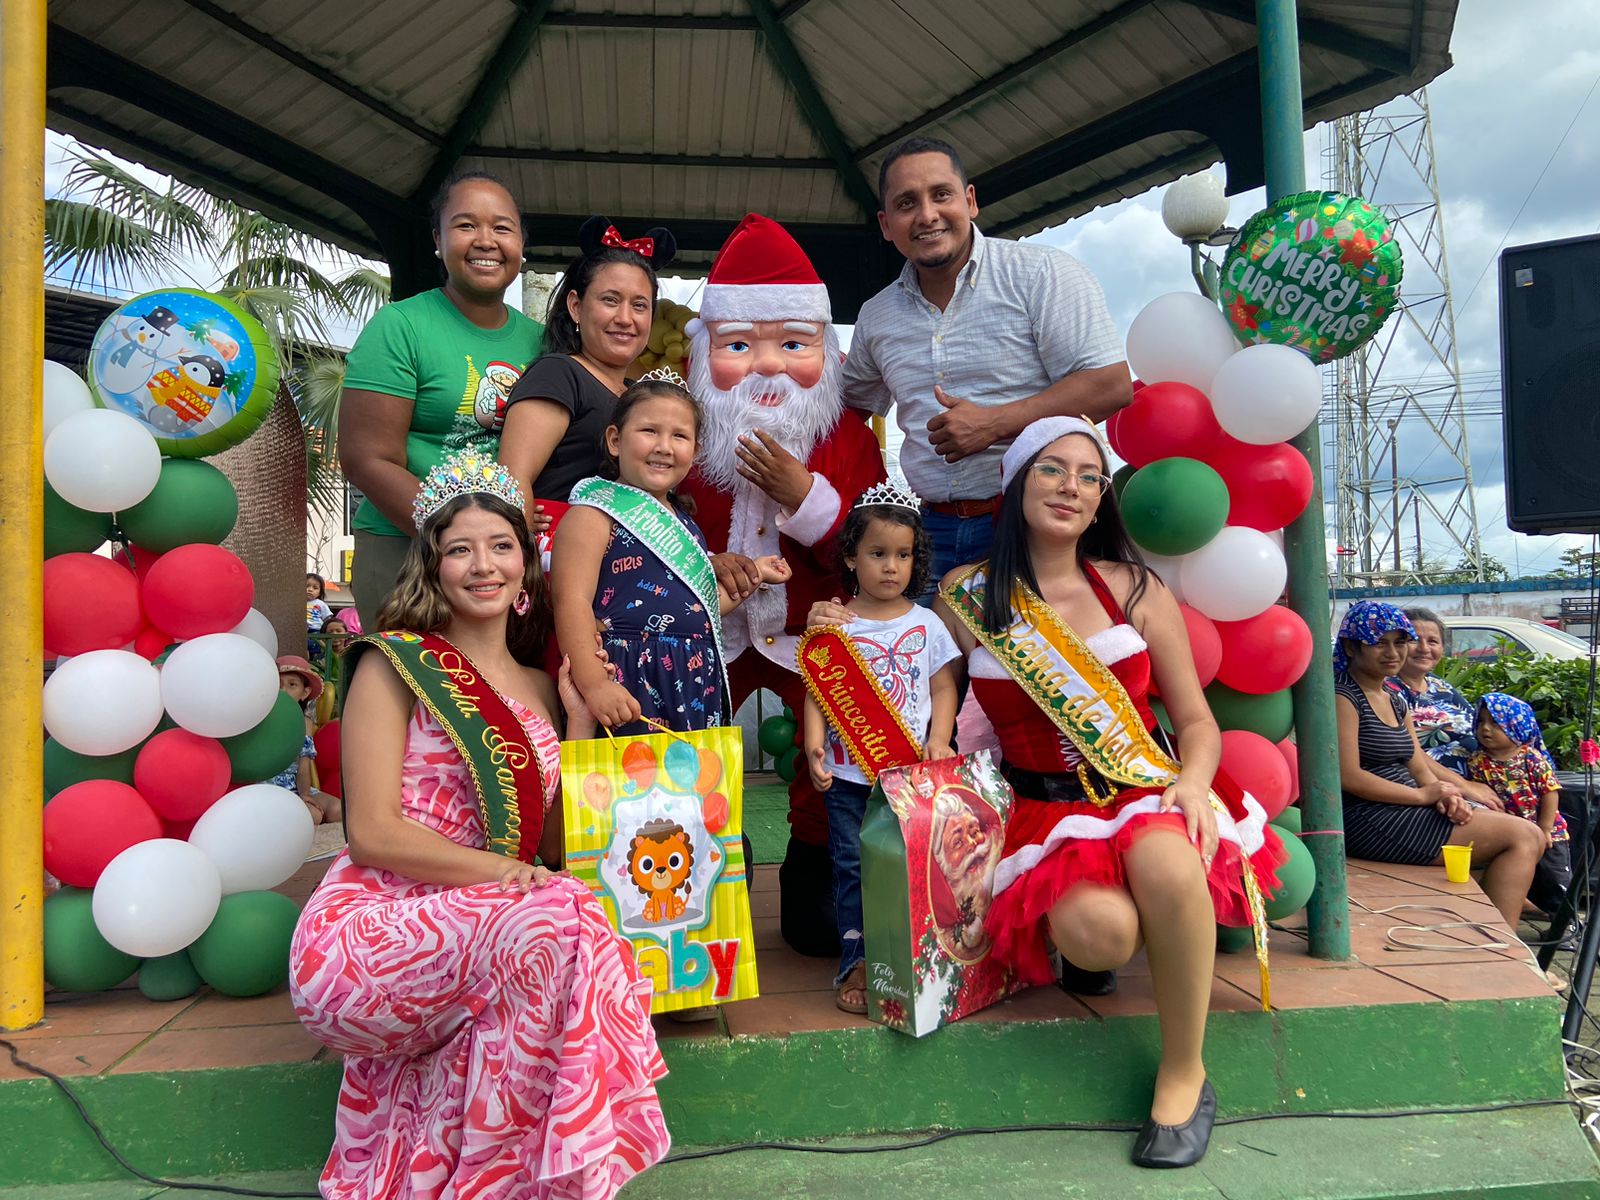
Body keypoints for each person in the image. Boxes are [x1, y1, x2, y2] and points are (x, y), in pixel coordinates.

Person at [289, 451, 669, 1200]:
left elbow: (551, 846)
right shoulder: (394, 665)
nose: (483, 565)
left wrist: (578, 720)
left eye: (501, 546)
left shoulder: (539, 687)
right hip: (371, 928)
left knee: (555, 925)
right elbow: (372, 833)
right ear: (433, 567)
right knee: (560, 915)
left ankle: (494, 1180)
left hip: (495, 920)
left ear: (526, 566)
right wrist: (510, 876)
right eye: (460, 549)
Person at [936, 417, 1279, 1168]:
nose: (1071, 487)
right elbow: (925, 682)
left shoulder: (1135, 587)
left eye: (1089, 477)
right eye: (1053, 469)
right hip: (1045, 812)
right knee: (1102, 936)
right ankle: (1103, 929)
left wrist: (1193, 784)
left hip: (1142, 789)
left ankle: (1185, 1073)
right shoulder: (965, 596)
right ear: (1017, 482)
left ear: (1100, 503)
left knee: (1166, 861)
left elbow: (1196, 721)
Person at [679, 212, 887, 956]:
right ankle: (700, 882)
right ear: (704, 351)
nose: (767, 365)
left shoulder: (848, 439)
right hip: (711, 632)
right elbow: (650, 518)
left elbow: (878, 550)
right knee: (683, 744)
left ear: (826, 351)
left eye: (794, 345)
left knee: (832, 760)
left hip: (813, 630)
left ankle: (818, 881)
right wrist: (704, 563)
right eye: (739, 346)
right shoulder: (682, 430)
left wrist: (808, 498)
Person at [842, 137, 1132, 587]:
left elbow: (1111, 384)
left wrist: (995, 424)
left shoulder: (1041, 274)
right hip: (925, 533)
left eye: (941, 194)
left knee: (1025, 639)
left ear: (970, 201)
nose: (927, 215)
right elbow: (846, 411)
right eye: (906, 203)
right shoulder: (877, 315)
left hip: (1032, 526)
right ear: (886, 224)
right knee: (921, 638)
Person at [338, 170, 544, 618]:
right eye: (466, 225)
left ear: (521, 245)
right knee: (410, 667)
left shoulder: (543, 342)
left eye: (502, 228)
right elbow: (365, 458)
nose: (486, 241)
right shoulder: (400, 327)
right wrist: (458, 537)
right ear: (438, 239)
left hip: (505, 565)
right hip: (406, 550)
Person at [553, 372, 790, 737]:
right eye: (649, 431)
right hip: (629, 677)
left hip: (695, 678)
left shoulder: (686, 524)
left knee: (697, 775)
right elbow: (571, 601)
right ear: (615, 440)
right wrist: (595, 684)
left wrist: (756, 573)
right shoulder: (593, 514)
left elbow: (701, 605)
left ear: (695, 452)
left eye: (679, 436)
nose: (664, 446)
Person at [801, 483, 960, 1015]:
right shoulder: (836, 624)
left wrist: (940, 737)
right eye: (877, 553)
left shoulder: (927, 623)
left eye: (903, 555)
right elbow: (817, 690)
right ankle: (858, 961)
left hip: (909, 779)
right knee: (853, 868)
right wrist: (815, 745)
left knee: (912, 868)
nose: (891, 567)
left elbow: (943, 686)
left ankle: (914, 955)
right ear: (851, 557)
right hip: (849, 779)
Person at [1333, 601, 1544, 931]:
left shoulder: (1394, 699)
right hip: (1370, 817)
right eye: (1379, 643)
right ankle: (1499, 943)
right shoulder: (1343, 697)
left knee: (1528, 834)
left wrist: (1447, 794)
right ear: (1351, 647)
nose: (1393, 652)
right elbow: (1348, 776)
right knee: (1523, 837)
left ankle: (1494, 936)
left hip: (1406, 808)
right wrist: (1423, 796)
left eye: (1400, 642)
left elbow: (1418, 765)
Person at [500, 217, 675, 528]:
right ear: (576, 306)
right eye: (610, 300)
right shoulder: (558, 374)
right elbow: (512, 481)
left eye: (639, 305)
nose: (625, 318)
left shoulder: (639, 394)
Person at [1468, 693, 1571, 915]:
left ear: (1517, 726)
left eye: (1496, 723)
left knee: (1554, 881)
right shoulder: (1478, 761)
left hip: (1548, 833)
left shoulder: (1531, 758)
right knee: (1517, 875)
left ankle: (1566, 924)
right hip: (1508, 833)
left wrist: (1545, 829)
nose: (1485, 728)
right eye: (1481, 721)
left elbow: (1550, 791)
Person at [1393, 607, 1481, 778]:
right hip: (1437, 785)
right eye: (1414, 640)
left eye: (1433, 641)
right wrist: (1466, 787)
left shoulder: (1438, 685)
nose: (1424, 648)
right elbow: (1407, 753)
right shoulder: (1387, 689)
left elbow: (1477, 724)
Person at [272, 656, 339, 826]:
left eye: (292, 685)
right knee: (313, 816)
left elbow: (303, 767)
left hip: (297, 786)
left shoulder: (305, 723)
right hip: (269, 788)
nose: (283, 690)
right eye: (278, 684)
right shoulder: (261, 718)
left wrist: (305, 794)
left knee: (339, 809)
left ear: (305, 693)